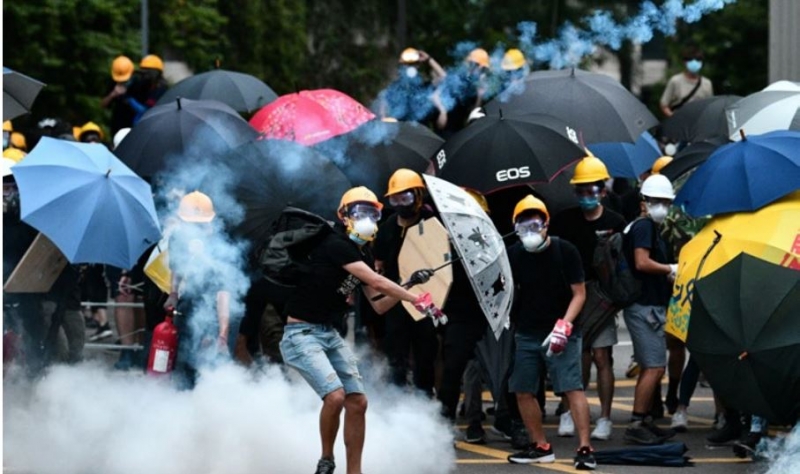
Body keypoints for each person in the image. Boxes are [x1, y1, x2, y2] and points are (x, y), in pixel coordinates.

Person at [279, 186, 443, 474]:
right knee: (336, 396)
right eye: (359, 212)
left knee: (358, 402)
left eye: (373, 212)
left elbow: (378, 304)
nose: (367, 218)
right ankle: (326, 460)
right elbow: (377, 283)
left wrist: (411, 283)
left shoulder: (362, 255)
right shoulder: (335, 244)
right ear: (344, 216)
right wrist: (416, 298)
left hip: (328, 333)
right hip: (300, 335)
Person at [505, 195, 596, 470]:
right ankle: (540, 446)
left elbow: (579, 294)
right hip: (527, 332)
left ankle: (584, 448)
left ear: (546, 224)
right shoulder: (514, 254)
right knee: (522, 390)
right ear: (516, 227)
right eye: (524, 225)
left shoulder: (565, 250)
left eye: (536, 223)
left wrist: (564, 326)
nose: (531, 230)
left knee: (571, 388)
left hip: (562, 332)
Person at [549, 156, 626, 441]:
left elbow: (623, 265)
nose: (585, 196)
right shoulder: (564, 221)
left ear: (603, 191)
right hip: (570, 296)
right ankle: (568, 410)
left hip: (603, 297)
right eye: (580, 191)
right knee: (575, 357)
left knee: (602, 356)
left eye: (591, 190)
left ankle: (604, 418)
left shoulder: (616, 222)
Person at [622, 174, 679, 445]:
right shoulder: (643, 227)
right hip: (644, 307)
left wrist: (665, 273)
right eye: (657, 201)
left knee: (652, 366)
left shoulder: (644, 227)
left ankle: (644, 420)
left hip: (646, 305)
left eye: (666, 202)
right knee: (655, 367)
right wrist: (670, 269)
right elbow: (642, 263)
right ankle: (636, 423)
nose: (662, 207)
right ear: (644, 202)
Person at [373, 169, 439, 396]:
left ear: (418, 196)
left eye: (406, 198)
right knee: (396, 354)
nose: (401, 204)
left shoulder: (432, 224)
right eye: (395, 199)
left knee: (425, 353)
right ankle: (397, 400)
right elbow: (378, 264)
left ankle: (425, 398)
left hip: (427, 300)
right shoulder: (387, 228)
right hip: (395, 300)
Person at [376, 47, 447, 124]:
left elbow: (444, 77)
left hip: (420, 131)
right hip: (403, 131)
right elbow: (383, 114)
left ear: (418, 65)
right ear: (402, 66)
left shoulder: (424, 87)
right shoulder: (394, 89)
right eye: (408, 64)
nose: (411, 67)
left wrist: (429, 59)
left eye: (414, 64)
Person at [659, 46, 714, 118]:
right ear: (684, 62)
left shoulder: (707, 83)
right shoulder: (675, 81)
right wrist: (674, 118)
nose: (694, 63)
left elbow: (710, 107)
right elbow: (664, 105)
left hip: (699, 123)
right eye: (690, 60)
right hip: (679, 123)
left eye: (698, 60)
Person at [101, 56, 138, 136]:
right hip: (117, 125)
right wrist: (113, 94)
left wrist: (129, 99)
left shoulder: (139, 83)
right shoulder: (113, 83)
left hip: (134, 125)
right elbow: (103, 105)